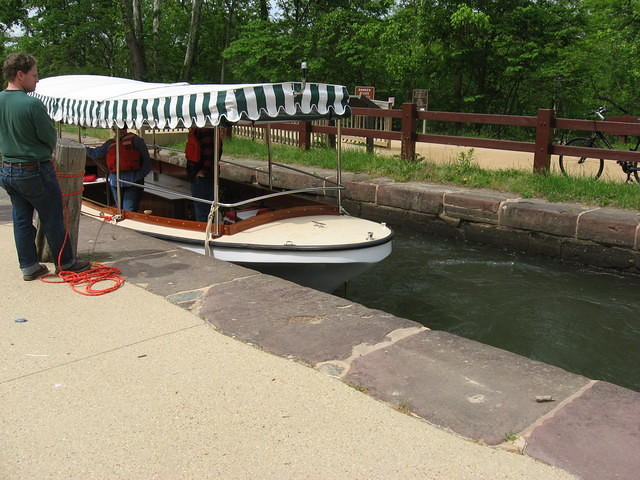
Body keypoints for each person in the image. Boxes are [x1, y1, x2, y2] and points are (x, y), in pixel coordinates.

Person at [0, 53, 90, 280]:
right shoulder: (31, 104)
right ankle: (66, 263)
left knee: (21, 218)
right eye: (34, 75)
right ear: (20, 75)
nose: (36, 80)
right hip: (34, 169)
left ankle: (29, 266)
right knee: (53, 218)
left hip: (8, 169)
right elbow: (50, 137)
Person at [86, 127, 151, 212]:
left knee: (129, 210)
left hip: (132, 182)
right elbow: (95, 153)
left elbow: (147, 162)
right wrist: (81, 147)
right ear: (114, 130)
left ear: (126, 128)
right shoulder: (110, 143)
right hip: (115, 182)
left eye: (122, 128)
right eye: (117, 128)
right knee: (119, 210)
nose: (120, 130)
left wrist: (138, 177)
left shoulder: (136, 141)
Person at [185, 127, 222, 222]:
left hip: (202, 179)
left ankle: (204, 233)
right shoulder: (210, 131)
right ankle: (207, 231)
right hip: (205, 177)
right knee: (207, 211)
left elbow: (209, 155)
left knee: (202, 213)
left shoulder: (205, 132)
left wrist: (201, 172)